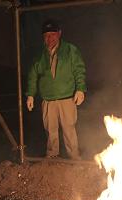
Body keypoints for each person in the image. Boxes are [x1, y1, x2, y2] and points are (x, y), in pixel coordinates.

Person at [26, 19, 86, 160]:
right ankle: (53, 155)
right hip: (48, 100)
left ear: (59, 34)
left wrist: (80, 89)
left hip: (67, 98)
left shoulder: (70, 50)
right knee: (50, 129)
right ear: (43, 37)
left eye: (52, 34)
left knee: (69, 129)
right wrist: (30, 95)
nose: (49, 38)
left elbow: (79, 70)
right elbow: (33, 75)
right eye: (46, 35)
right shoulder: (40, 55)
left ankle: (74, 156)